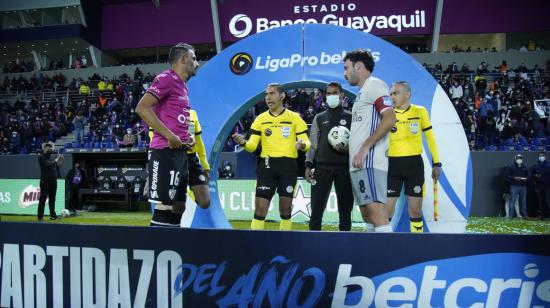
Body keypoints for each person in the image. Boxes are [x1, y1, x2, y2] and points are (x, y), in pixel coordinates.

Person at [136, 42, 199, 227]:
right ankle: (156, 252)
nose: (197, 63)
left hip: (180, 152)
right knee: (165, 206)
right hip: (164, 151)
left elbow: (174, 118)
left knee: (179, 207)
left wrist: (186, 138)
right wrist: (170, 136)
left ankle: (174, 249)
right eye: (194, 59)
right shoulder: (166, 78)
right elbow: (141, 108)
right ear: (183, 59)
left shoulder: (183, 85)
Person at [232, 83, 310, 230]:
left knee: (285, 210)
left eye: (272, 93)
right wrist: (243, 142)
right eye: (267, 94)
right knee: (260, 210)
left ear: (282, 96)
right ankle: (254, 244)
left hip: (288, 167)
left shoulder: (294, 118)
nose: (268, 97)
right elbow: (252, 147)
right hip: (266, 166)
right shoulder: (260, 119)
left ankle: (284, 242)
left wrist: (302, 145)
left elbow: (307, 142)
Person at [343, 49, 396, 232]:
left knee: (376, 212)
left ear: (358, 66)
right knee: (367, 214)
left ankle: (389, 259)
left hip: (370, 161)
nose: (344, 73)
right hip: (359, 164)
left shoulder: (375, 85)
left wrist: (364, 148)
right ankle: (373, 257)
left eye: (346, 67)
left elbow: (390, 118)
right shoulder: (361, 93)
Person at [386, 81, 441, 232]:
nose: (392, 97)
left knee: (415, 211)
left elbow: (430, 138)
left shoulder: (420, 111)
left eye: (395, 93)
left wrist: (437, 163)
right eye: (391, 94)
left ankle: (416, 244)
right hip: (392, 166)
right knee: (386, 212)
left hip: (414, 165)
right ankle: (382, 244)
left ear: (407, 94)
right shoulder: (387, 113)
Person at [305, 82, 353, 231]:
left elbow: (358, 143)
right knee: (316, 210)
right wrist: (308, 165)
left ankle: (345, 246)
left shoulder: (351, 117)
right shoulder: (319, 118)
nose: (331, 96)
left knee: (345, 211)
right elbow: (312, 144)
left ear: (342, 95)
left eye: (335, 93)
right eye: (329, 93)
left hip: (344, 168)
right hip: (322, 168)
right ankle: (313, 244)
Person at [186, 109, 211, 209]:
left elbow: (199, 142)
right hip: (173, 158)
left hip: (191, 159)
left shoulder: (192, 113)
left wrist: (205, 166)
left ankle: (189, 194)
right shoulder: (164, 111)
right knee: (176, 203)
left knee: (205, 202)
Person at [37, 142, 64, 221]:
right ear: (44, 149)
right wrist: (56, 159)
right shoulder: (41, 157)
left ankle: (53, 215)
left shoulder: (50, 158)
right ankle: (40, 217)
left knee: (52, 199)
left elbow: (55, 166)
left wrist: (61, 160)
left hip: (53, 181)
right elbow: (48, 165)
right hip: (45, 181)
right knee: (43, 199)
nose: (50, 149)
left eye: (50, 148)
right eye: (48, 148)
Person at [505, 153, 530, 219]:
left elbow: (529, 176)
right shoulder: (511, 166)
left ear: (522, 159)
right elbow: (507, 176)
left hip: (523, 186)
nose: (519, 159)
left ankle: (525, 215)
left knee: (523, 202)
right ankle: (511, 215)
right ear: (515, 159)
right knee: (512, 201)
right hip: (514, 186)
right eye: (518, 158)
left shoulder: (525, 167)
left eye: (520, 158)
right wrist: (514, 178)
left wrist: (526, 179)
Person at [531, 152, 549, 219]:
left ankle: (548, 215)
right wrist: (535, 176)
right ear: (538, 157)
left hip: (547, 186)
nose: (541, 157)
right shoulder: (535, 166)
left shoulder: (549, 165)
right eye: (540, 156)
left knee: (548, 200)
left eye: (542, 156)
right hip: (539, 186)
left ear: (545, 156)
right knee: (540, 201)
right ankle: (542, 215)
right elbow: (532, 176)